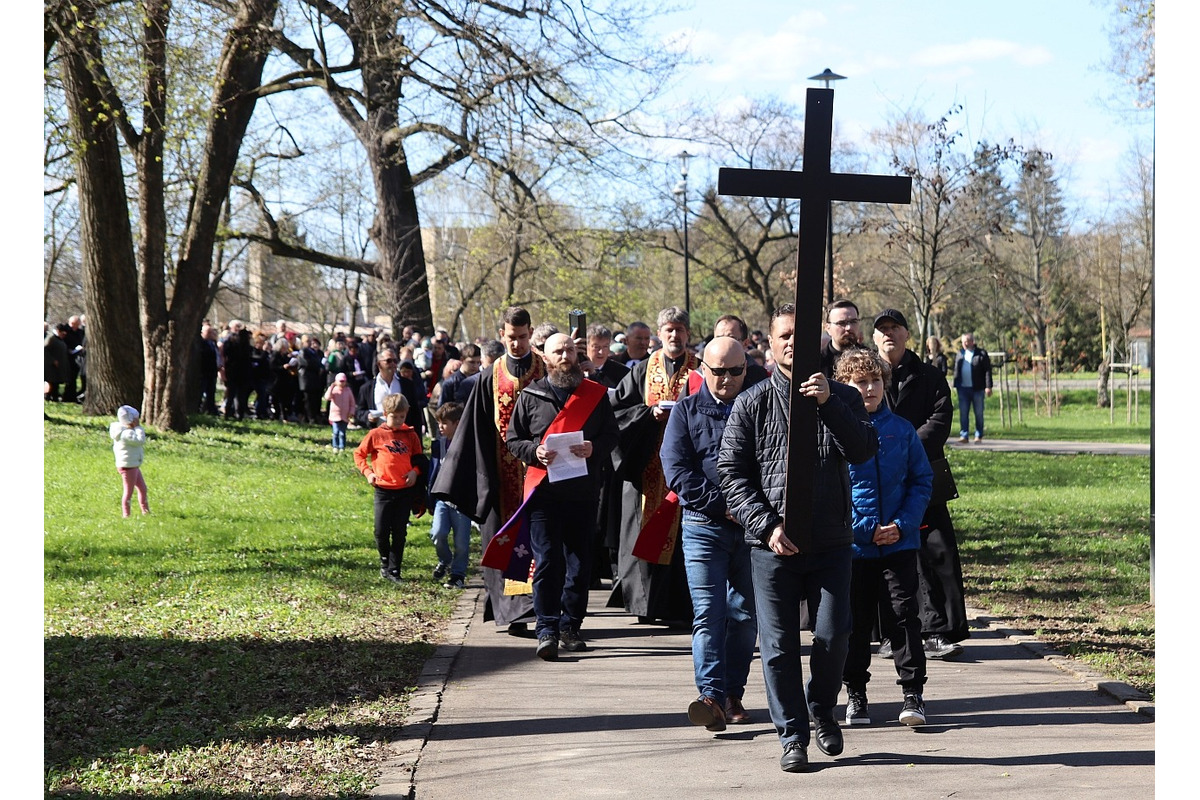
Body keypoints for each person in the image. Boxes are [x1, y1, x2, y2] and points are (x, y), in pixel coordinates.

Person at [717, 303, 878, 773]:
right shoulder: (752, 402)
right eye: (783, 335)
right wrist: (766, 526)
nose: (792, 343)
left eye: (800, 336)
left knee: (834, 635)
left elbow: (864, 450)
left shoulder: (843, 397)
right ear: (770, 344)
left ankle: (822, 710)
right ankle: (792, 735)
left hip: (829, 543)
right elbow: (730, 472)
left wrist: (829, 403)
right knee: (779, 645)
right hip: (772, 548)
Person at [660, 335, 760, 733]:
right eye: (718, 371)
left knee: (744, 615)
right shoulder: (685, 412)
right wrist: (725, 505)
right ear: (703, 370)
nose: (726, 378)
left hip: (753, 529)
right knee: (708, 614)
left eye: (736, 371)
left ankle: (732, 693)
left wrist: (749, 509)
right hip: (704, 527)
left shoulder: (761, 407)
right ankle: (711, 697)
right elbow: (677, 471)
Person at [430, 307, 546, 634]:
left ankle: (545, 608)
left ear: (529, 333)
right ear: (502, 334)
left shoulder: (545, 369)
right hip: (502, 473)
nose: (517, 344)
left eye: (523, 337)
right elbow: (475, 428)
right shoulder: (489, 377)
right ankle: (517, 611)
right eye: (511, 337)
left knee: (541, 541)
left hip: (541, 472)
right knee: (511, 541)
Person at [833, 349, 933, 728]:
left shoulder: (902, 430)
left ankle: (913, 694)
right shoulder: (836, 430)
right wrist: (863, 529)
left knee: (904, 618)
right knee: (854, 623)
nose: (870, 389)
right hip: (854, 548)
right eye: (860, 382)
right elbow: (832, 491)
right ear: (845, 386)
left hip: (898, 544)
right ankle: (855, 694)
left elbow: (921, 481)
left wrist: (903, 525)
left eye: (875, 381)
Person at [505, 332, 619, 660]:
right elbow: (514, 439)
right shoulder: (531, 395)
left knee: (581, 565)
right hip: (543, 493)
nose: (566, 355)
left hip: (582, 493)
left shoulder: (595, 395)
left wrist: (594, 448)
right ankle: (546, 628)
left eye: (570, 349)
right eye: (559, 351)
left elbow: (612, 435)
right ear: (547, 357)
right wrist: (534, 451)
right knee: (547, 561)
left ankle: (571, 625)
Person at [873, 309, 969, 660]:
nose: (888, 334)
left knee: (935, 550)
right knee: (885, 554)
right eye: (882, 329)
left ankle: (939, 629)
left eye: (895, 328)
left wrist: (906, 448)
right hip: (877, 481)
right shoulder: (864, 377)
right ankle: (890, 633)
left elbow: (940, 420)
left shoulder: (929, 376)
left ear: (907, 335)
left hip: (923, 478)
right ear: (874, 338)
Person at [611, 306, 700, 625]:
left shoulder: (700, 370)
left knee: (683, 538)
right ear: (659, 334)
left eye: (680, 330)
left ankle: (681, 606)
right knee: (643, 532)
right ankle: (645, 606)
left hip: (689, 469)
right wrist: (649, 415)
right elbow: (618, 412)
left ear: (688, 334)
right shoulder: (642, 371)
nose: (675, 335)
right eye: (669, 330)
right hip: (647, 467)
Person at [354, 392, 428, 584]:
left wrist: (415, 472)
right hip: (383, 490)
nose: (398, 420)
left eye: (402, 416)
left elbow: (420, 458)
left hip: (404, 490)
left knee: (399, 531)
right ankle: (384, 561)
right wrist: (368, 473)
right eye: (394, 416)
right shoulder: (376, 435)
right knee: (380, 530)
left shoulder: (410, 435)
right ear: (385, 413)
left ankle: (395, 569)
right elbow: (359, 454)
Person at [429, 403, 472, 590]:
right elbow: (433, 471)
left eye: (444, 423)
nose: (440, 427)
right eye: (438, 423)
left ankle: (457, 575)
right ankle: (444, 559)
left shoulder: (469, 444)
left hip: (462, 500)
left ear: (457, 423)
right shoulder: (439, 445)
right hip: (442, 499)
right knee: (437, 533)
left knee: (461, 543)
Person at [110, 405, 150, 517]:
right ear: (131, 420)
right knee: (128, 491)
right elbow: (140, 440)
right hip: (128, 466)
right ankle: (126, 515)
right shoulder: (126, 434)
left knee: (142, 488)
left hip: (133, 464)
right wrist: (138, 428)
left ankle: (145, 511)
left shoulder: (127, 431)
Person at [953, 333, 993, 443]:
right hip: (963, 389)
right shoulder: (960, 354)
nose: (965, 343)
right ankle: (964, 435)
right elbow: (956, 370)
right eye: (963, 341)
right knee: (963, 413)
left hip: (978, 389)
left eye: (967, 341)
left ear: (972, 341)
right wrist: (956, 385)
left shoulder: (981, 354)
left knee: (979, 413)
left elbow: (987, 371)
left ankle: (978, 435)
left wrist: (988, 386)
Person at [819, 299, 865, 379]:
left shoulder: (872, 360)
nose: (849, 328)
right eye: (841, 323)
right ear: (827, 328)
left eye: (853, 322)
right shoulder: (818, 362)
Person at [323, 373, 357, 452]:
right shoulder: (334, 390)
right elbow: (327, 397)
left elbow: (352, 403)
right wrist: (331, 387)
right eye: (340, 381)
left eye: (343, 381)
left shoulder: (348, 391)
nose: (342, 383)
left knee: (342, 433)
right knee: (335, 432)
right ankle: (335, 446)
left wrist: (351, 412)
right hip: (335, 416)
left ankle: (342, 446)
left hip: (345, 416)